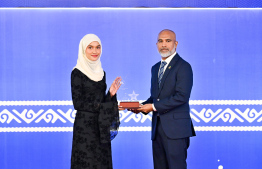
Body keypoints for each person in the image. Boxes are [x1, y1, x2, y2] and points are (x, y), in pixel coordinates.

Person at [132, 29, 196, 169]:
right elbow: (155, 97)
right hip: (158, 129)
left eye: (168, 41)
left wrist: (153, 107)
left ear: (176, 43)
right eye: (160, 41)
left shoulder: (184, 66)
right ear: (156, 44)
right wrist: (140, 107)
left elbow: (182, 97)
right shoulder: (155, 68)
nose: (164, 44)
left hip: (176, 131)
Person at [70, 34, 122, 169]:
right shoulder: (77, 72)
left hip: (101, 127)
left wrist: (110, 95)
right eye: (90, 47)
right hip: (85, 129)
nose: (95, 51)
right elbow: (78, 103)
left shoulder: (102, 73)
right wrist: (104, 106)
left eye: (98, 47)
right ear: (83, 49)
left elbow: (100, 101)